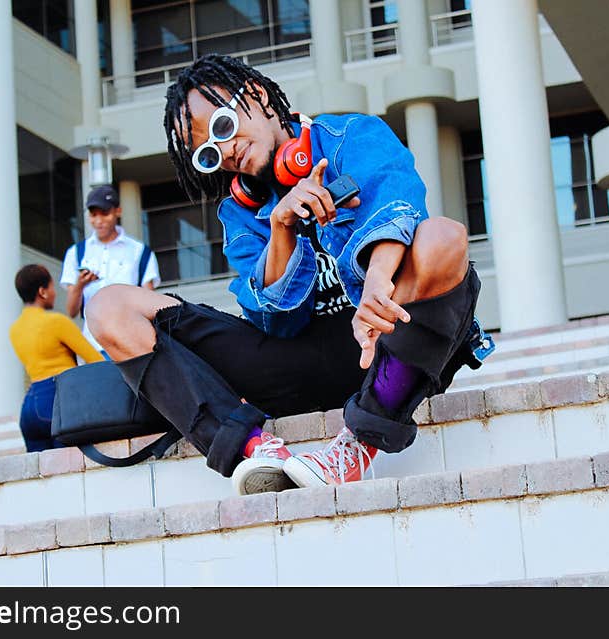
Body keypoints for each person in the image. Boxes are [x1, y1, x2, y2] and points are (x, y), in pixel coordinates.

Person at [85, 54, 487, 496]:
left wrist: (377, 282)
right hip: (293, 362)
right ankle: (255, 450)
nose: (226, 151)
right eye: (207, 153)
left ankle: (358, 442)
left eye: (222, 127)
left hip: (382, 344)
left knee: (443, 237)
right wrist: (282, 229)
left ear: (257, 96)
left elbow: (399, 205)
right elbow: (275, 323)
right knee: (107, 306)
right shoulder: (238, 214)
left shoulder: (351, 136)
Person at [9, 264, 104, 452]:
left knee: (44, 477)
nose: (54, 293)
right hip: (57, 399)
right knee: (70, 470)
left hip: (30, 407)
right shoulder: (56, 322)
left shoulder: (15, 330)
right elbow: (95, 361)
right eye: (52, 287)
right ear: (42, 291)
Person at [59, 184, 161, 356]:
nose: (98, 221)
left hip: (131, 342)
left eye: (104, 214)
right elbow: (71, 311)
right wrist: (80, 285)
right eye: (93, 215)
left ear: (118, 211)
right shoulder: (76, 252)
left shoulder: (139, 252)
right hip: (93, 345)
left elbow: (150, 304)